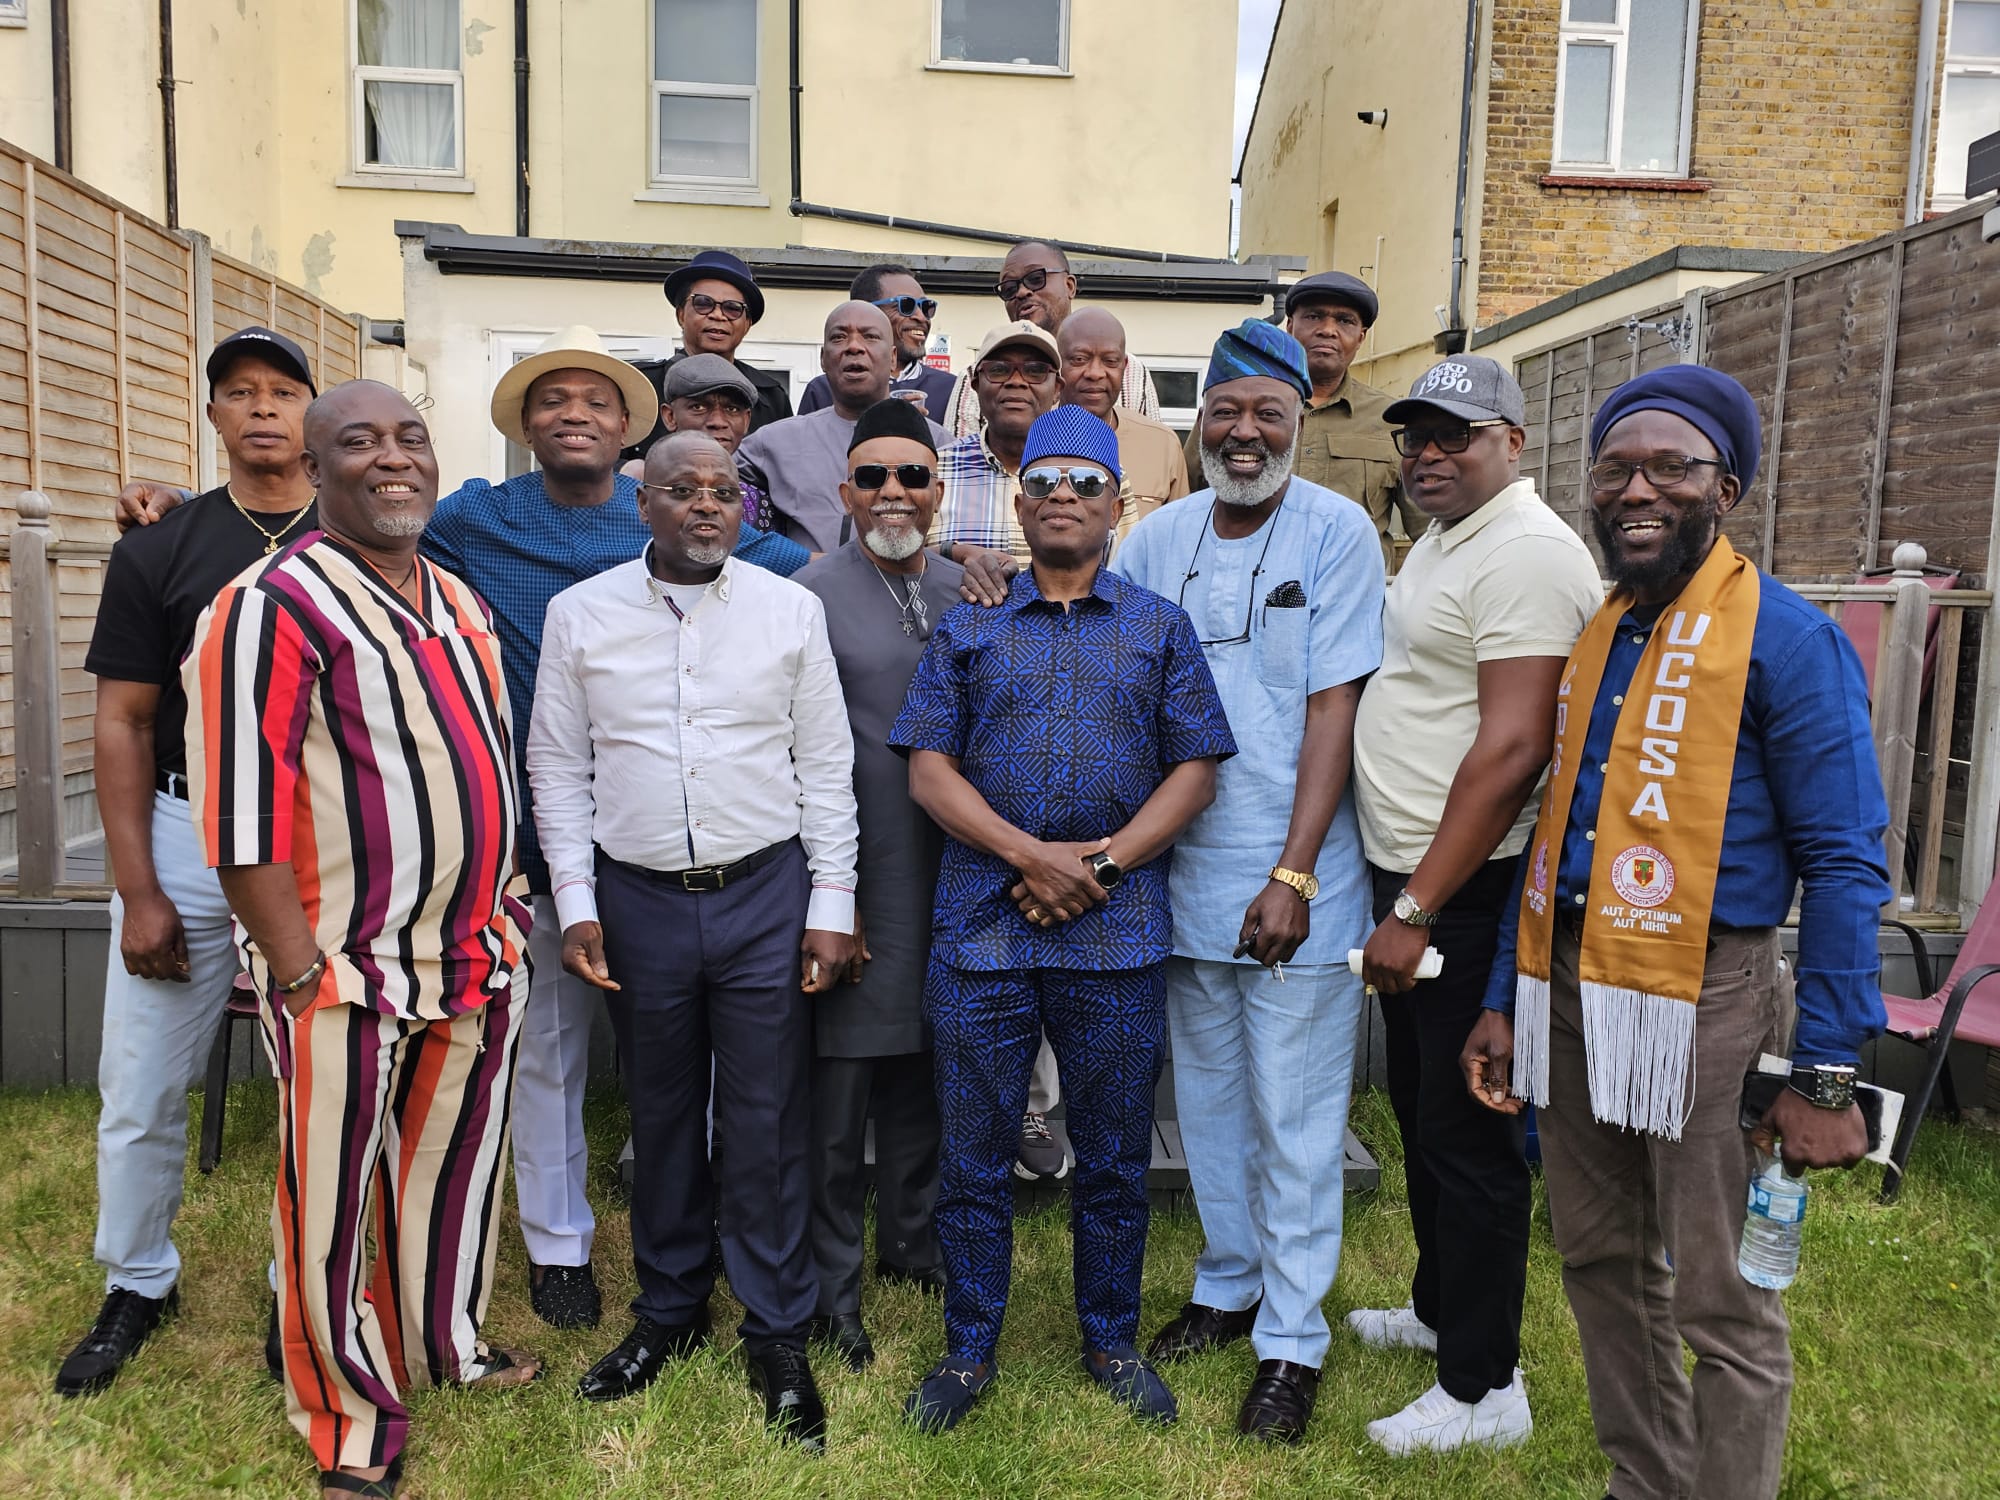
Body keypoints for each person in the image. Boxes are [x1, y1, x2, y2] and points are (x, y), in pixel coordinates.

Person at [1465, 365, 1890, 1500]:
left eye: (1670, 467)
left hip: (1707, 1003)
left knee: (1721, 1298)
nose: (1636, 490)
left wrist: (1826, 1073)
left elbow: (1845, 861)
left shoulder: (1785, 641)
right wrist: (1507, 996)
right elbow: (1557, 830)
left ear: (1726, 489)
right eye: (1615, 469)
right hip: (1569, 985)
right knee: (1600, 1258)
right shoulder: (1600, 634)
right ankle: (1644, 1482)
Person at [183, 381, 539, 1500]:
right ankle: (346, 1414)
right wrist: (295, 970)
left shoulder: (457, 596)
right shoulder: (268, 605)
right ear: (313, 465)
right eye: (359, 441)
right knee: (329, 1201)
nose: (393, 458)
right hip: (342, 965)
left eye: (409, 438)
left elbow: (485, 761)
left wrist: (512, 903)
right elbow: (241, 815)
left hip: (475, 952)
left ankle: (443, 1343)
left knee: (452, 1172)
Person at [890, 405, 1236, 1433]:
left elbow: (1195, 770)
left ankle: (1110, 1340)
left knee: (1115, 1155)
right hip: (981, 930)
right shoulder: (969, 622)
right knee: (973, 1153)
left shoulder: (1158, 627)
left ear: (1116, 506)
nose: (1062, 499)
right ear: (1020, 500)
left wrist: (1100, 863)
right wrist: (1028, 856)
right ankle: (967, 1350)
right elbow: (927, 769)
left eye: (1086, 483)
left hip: (1114, 932)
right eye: (1043, 482)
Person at [528, 430, 859, 1450]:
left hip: (765, 893)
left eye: (724, 490)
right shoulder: (581, 614)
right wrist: (576, 901)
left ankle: (777, 1329)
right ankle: (668, 1311)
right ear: (644, 503)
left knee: (766, 1118)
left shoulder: (788, 609)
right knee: (661, 1111)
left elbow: (825, 764)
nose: (706, 505)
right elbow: (557, 767)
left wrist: (832, 903)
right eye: (683, 489)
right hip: (638, 902)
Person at [1118, 321, 1384, 1445]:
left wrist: (1295, 870)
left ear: (1298, 421)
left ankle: (1292, 1339)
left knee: (1297, 1116)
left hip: (1295, 883)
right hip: (1182, 878)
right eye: (1225, 410)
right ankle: (1227, 1287)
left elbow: (1333, 706)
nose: (1244, 433)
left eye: (1267, 413)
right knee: (1211, 1106)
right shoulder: (1155, 538)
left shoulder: (1336, 532)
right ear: (1199, 420)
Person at [1347, 355, 1604, 1456]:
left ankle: (1484, 1386)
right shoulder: (1453, 538)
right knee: (1420, 1113)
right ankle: (1441, 1308)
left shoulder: (1528, 553)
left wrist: (1414, 906)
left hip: (1465, 888)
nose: (1427, 455)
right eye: (1414, 436)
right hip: (1418, 878)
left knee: (1470, 1135)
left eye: (1455, 435)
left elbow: (1513, 749)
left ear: (1512, 442)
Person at [56, 327, 319, 1400]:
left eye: (283, 391)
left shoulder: (358, 536)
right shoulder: (159, 548)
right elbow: (123, 720)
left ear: (314, 413)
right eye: (239, 392)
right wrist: (138, 891)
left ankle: (303, 1286)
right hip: (189, 829)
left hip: (318, 841)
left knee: (322, 1082)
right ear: (213, 415)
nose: (263, 409)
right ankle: (136, 1279)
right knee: (141, 1081)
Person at [794, 399, 962, 1372]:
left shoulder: (967, 588)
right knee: (838, 1091)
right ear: (844, 491)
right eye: (873, 477)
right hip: (855, 873)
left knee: (924, 1073)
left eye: (912, 476)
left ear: (939, 491)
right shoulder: (804, 595)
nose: (892, 492)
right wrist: (832, 894)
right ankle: (830, 1286)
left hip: (952, 873)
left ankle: (912, 1240)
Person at [924, 319, 1068, 1179]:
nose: (1017, 379)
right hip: (963, 707)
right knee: (981, 918)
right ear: (974, 385)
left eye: (1034, 368)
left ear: (1057, 385)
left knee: (1046, 907)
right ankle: (975, 1108)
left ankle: (1036, 1106)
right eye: (1000, 368)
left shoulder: (1085, 467)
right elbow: (890, 527)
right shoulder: (939, 466)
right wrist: (960, 553)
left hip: (1069, 705)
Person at [1184, 271, 1414, 569]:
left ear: (1361, 336)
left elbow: (1429, 530)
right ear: (1290, 326)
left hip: (1348, 586)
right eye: (1314, 316)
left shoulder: (1391, 420)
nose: (1327, 330)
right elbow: (1188, 497)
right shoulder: (1232, 413)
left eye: (1344, 320)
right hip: (1237, 579)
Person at [737, 302, 950, 553]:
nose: (854, 347)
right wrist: (791, 558)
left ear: (893, 358)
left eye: (870, 337)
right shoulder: (775, 442)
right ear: (823, 359)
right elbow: (708, 498)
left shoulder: (939, 444)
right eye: (839, 337)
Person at [942, 241, 1162, 437]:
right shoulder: (977, 376)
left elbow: (1152, 450)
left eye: (1036, 279)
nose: (1022, 292)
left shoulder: (1130, 372)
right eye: (1009, 288)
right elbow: (959, 461)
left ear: (1069, 286)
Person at [625, 249, 793, 461]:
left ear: (747, 324)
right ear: (681, 315)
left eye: (733, 308)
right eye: (703, 303)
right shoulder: (640, 385)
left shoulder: (771, 398)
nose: (718, 315)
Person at [1059, 307, 1191, 547]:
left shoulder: (1161, 445)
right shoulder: (1031, 438)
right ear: (1058, 364)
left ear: (1124, 366)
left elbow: (1180, 545)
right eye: (1079, 359)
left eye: (1110, 361)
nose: (1095, 373)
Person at [799, 263, 956, 418]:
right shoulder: (823, 389)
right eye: (906, 305)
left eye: (926, 306)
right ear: (866, 311)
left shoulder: (952, 390)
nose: (921, 317)